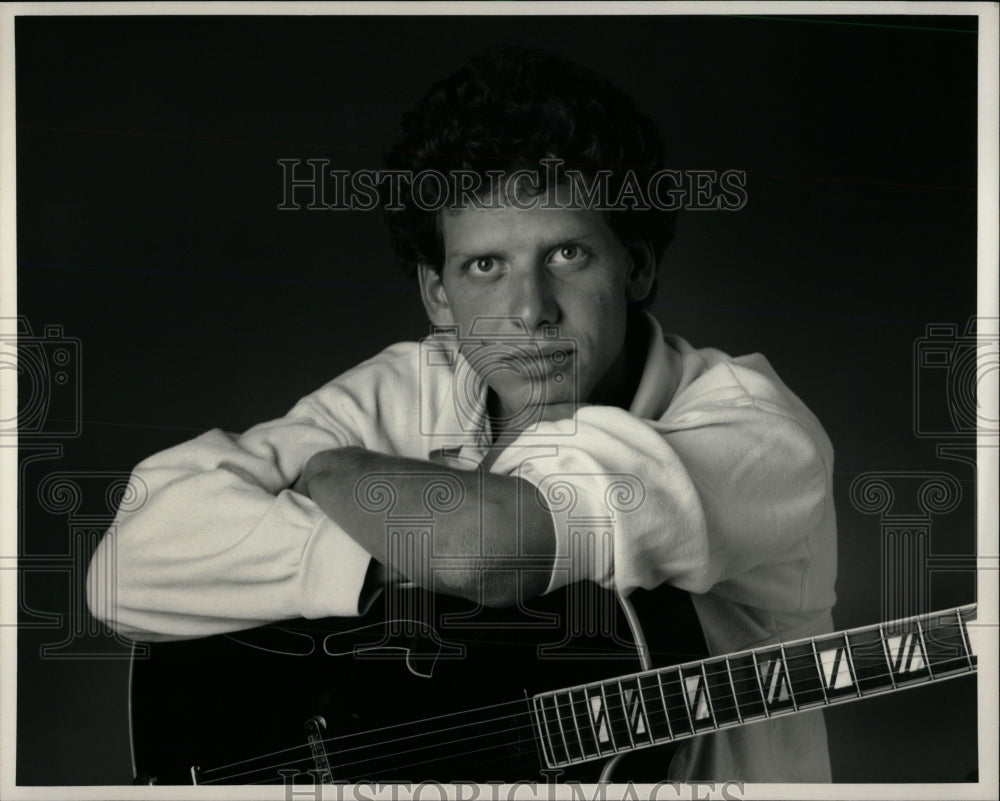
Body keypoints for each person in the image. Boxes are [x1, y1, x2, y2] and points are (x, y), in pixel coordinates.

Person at [86, 47, 837, 782]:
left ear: (636, 262)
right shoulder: (412, 386)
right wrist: (374, 568)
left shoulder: (754, 430)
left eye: (568, 254)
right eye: (485, 266)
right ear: (437, 294)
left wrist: (332, 471)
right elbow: (126, 566)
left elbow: (484, 548)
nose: (529, 311)